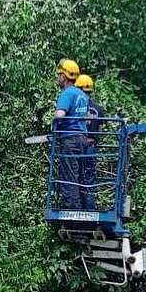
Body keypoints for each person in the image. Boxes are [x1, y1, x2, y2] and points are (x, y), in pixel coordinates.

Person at [53, 59, 90, 210]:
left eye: (59, 75)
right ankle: (80, 207)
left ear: (64, 76)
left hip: (70, 139)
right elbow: (87, 120)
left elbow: (60, 115)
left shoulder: (67, 93)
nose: (57, 78)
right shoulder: (82, 95)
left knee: (69, 177)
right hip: (82, 139)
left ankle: (71, 212)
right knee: (79, 176)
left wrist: (55, 123)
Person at [75, 74, 104, 211]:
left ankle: (77, 208)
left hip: (78, 145)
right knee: (89, 178)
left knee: (75, 177)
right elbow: (100, 130)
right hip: (91, 145)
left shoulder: (77, 106)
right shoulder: (99, 109)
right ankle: (90, 210)